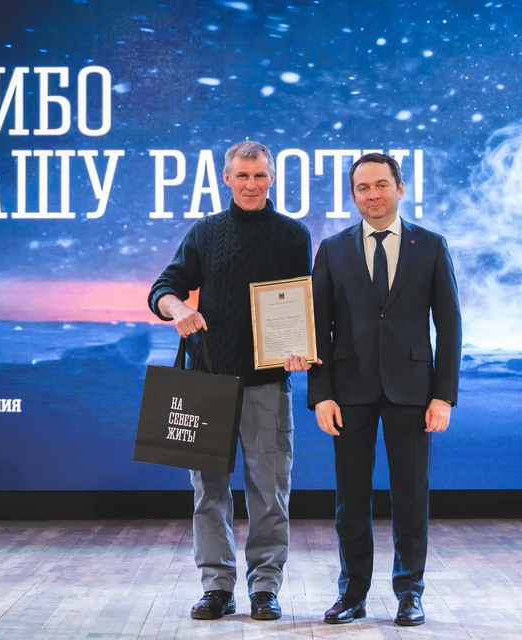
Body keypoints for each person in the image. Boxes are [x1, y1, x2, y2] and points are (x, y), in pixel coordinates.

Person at [148, 141, 312, 622]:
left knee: (270, 492)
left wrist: (300, 346)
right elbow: (163, 288)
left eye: (259, 176)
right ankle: (216, 588)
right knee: (209, 493)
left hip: (267, 385)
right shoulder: (206, 231)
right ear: (226, 178)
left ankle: (265, 588)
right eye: (242, 175)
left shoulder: (293, 235)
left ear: (272, 178)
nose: (251, 184)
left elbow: (301, 301)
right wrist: (178, 308)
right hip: (207, 384)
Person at [304, 152, 462, 626]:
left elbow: (449, 324)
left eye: (380, 185)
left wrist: (443, 395)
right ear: (353, 195)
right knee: (351, 500)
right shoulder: (332, 249)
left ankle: (409, 592)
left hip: (413, 393)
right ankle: (352, 593)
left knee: (411, 497)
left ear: (399, 188)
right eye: (362, 187)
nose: (372, 195)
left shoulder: (430, 246)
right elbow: (316, 327)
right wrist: (321, 393)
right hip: (348, 392)